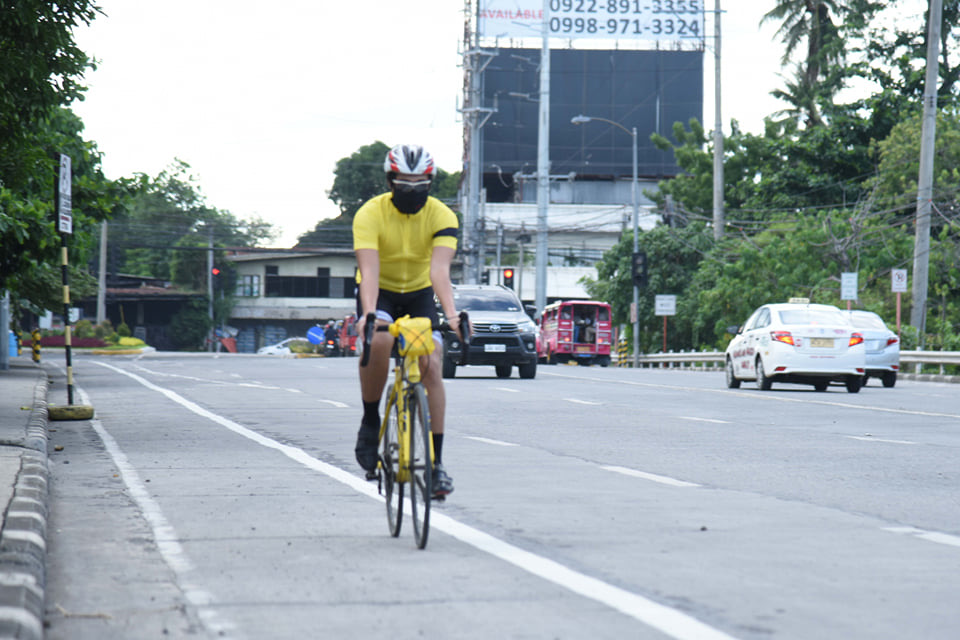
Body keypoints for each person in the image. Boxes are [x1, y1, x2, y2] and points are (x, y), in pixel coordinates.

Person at [352, 143, 464, 499]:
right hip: (380, 291)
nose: (412, 192)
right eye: (404, 185)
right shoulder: (369, 214)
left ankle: (436, 466)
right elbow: (369, 271)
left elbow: (439, 272)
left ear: (430, 183)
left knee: (431, 358)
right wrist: (368, 316)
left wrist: (452, 316)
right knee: (380, 340)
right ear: (390, 181)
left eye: (420, 185)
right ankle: (371, 421)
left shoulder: (443, 216)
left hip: (417, 294)